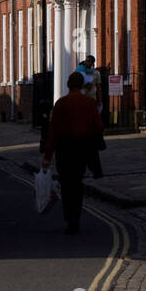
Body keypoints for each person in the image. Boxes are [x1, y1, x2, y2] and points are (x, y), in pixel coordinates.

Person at [42, 72, 104, 235]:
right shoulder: (89, 103)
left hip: (64, 148)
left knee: (67, 184)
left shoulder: (61, 104)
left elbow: (53, 132)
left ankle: (69, 217)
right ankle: (76, 216)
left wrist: (47, 157)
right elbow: (98, 127)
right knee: (77, 183)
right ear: (82, 85)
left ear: (68, 85)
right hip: (82, 148)